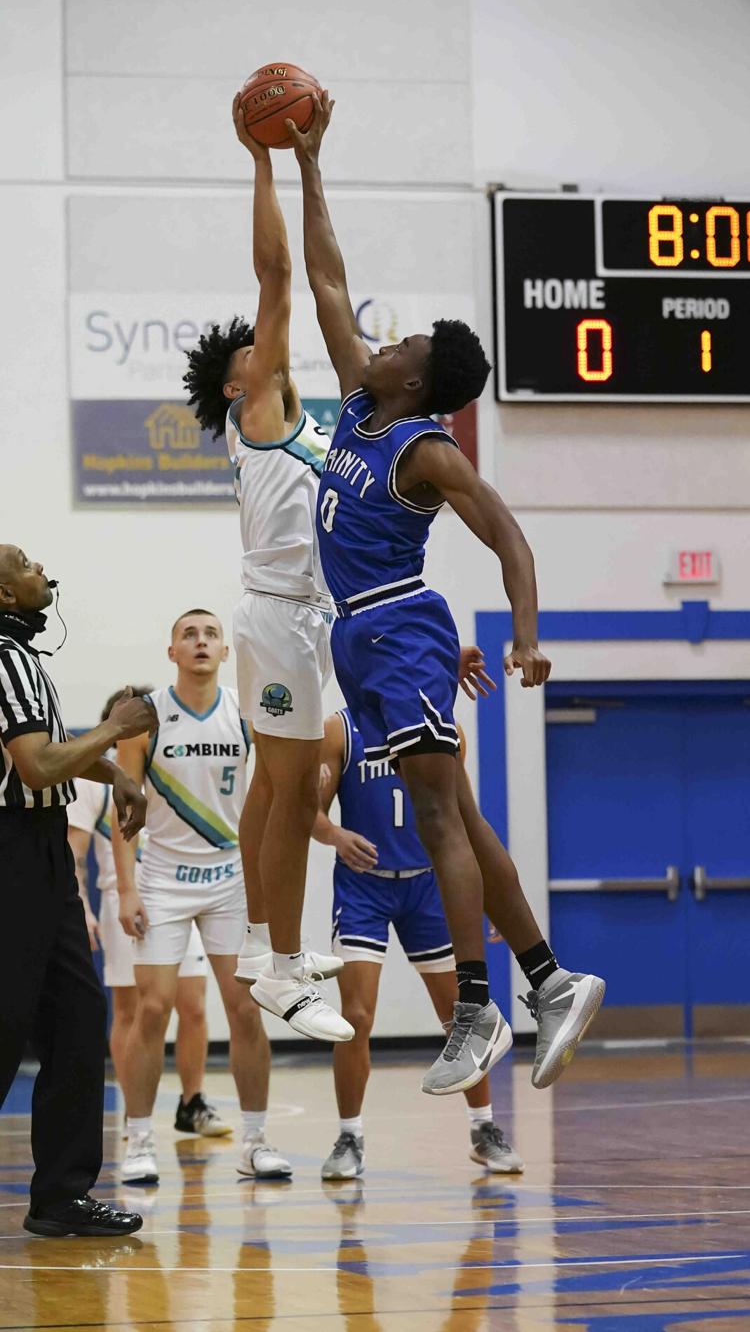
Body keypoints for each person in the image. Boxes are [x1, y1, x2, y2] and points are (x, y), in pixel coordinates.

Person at [287, 95, 605, 1097]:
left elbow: (506, 530)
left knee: (436, 820)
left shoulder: (421, 447)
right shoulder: (357, 404)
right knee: (460, 813)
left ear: (419, 382)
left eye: (404, 346)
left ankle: (478, 1004)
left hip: (404, 626)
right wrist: (309, 164)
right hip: (362, 639)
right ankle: (549, 977)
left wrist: (527, 636)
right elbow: (326, 277)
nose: (384, 342)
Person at [183, 95, 349, 1044]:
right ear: (239, 388)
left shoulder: (297, 424)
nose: (265, 343)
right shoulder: (260, 413)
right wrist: (268, 158)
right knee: (294, 787)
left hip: (301, 619)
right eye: (253, 351)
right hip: (280, 616)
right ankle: (282, 972)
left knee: (270, 787)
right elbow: (279, 272)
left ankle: (254, 944)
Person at [0, 543, 152, 1237]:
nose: (43, 573)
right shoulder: (7, 660)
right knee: (9, 1024)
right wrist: (119, 730)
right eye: (27, 565)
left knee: (77, 1018)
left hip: (41, 858)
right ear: (5, 595)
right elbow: (35, 768)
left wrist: (115, 773)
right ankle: (60, 1192)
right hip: (13, 852)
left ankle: (60, 1196)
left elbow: (56, 746)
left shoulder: (24, 660)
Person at [112, 609, 289, 1184]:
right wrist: (129, 888)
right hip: (163, 878)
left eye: (211, 633)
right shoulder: (147, 716)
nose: (201, 642)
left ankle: (256, 1141)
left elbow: (276, 790)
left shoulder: (246, 712)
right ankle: (139, 1140)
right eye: (189, 634)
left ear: (225, 650)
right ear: (171, 652)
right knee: (154, 1007)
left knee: (245, 1009)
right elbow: (123, 812)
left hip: (231, 878)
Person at [314, 704, 524, 1179]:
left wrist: (488, 894)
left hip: (428, 884)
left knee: (461, 1016)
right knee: (356, 1016)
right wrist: (335, 835)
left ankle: (484, 1129)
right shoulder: (339, 728)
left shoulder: (444, 729)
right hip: (364, 886)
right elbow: (311, 815)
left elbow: (466, 822)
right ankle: (349, 1136)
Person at [68, 686, 232, 1139]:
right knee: (132, 1011)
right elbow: (73, 854)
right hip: (127, 902)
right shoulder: (90, 780)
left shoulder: (167, 771)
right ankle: (131, 1107)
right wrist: (82, 906)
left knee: (194, 1005)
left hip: (177, 894)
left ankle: (192, 1103)